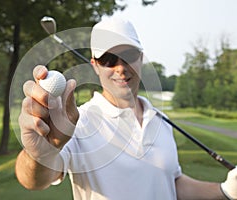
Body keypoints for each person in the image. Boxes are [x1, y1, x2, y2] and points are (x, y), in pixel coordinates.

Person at [15, 17, 237, 200]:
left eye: (128, 56)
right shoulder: (78, 123)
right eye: (109, 59)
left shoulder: (160, 120)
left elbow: (171, 183)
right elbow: (35, 180)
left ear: (140, 58)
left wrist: (226, 190)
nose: (121, 68)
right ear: (95, 65)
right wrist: (40, 153)